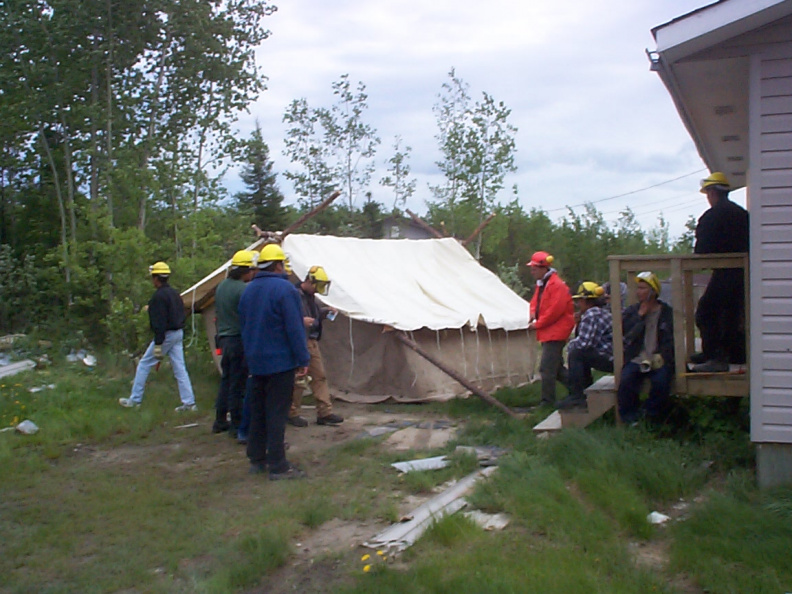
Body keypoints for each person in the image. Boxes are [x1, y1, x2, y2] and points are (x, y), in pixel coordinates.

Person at [239, 244, 310, 480]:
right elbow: (294, 327)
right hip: (280, 363)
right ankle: (278, 466)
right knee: (276, 414)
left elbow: (245, 326)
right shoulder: (285, 289)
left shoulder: (248, 290)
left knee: (258, 411)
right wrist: (303, 358)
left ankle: (256, 459)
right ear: (279, 265)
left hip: (256, 362)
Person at [690, 171, 749, 373]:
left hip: (725, 273)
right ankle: (735, 354)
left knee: (706, 312)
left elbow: (701, 252)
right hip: (745, 274)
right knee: (733, 315)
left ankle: (715, 356)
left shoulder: (711, 216)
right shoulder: (743, 215)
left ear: (712, 193)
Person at [119, 262, 197, 411]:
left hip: (166, 335)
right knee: (180, 368)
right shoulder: (175, 294)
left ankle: (135, 400)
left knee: (143, 364)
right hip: (178, 333)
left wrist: (158, 343)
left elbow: (158, 322)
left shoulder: (158, 297)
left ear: (156, 279)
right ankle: (189, 403)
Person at [288, 265, 344, 427]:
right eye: (317, 285)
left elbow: (314, 314)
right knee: (298, 380)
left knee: (319, 376)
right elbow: (287, 318)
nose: (319, 290)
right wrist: (301, 321)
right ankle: (291, 412)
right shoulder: (294, 295)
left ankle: (325, 413)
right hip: (300, 340)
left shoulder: (310, 297)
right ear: (309, 281)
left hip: (312, 341)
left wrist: (325, 312)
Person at [617, 271, 675, 424]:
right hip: (637, 358)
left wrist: (664, 355)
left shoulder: (666, 312)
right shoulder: (632, 311)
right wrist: (639, 317)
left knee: (661, 382)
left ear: (653, 291)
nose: (638, 292)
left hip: (658, 358)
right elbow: (626, 335)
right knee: (626, 381)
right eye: (638, 288)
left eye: (643, 288)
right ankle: (630, 419)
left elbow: (671, 338)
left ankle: (649, 416)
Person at [212, 250, 258, 436]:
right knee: (238, 384)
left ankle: (220, 419)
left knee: (226, 380)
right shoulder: (243, 289)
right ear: (245, 270)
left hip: (224, 339)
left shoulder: (221, 286)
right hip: (238, 340)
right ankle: (236, 424)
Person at [526, 251, 575, 407]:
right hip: (549, 332)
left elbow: (554, 311)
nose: (532, 271)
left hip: (556, 332)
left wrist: (537, 324)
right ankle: (580, 390)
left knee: (547, 369)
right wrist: (532, 312)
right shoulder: (543, 284)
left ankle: (547, 402)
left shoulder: (557, 286)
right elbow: (535, 301)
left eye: (534, 268)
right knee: (557, 368)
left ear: (543, 268)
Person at [556, 282, 613, 410]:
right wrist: (579, 324)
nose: (578, 304)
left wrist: (569, 344)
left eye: (580, 301)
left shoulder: (591, 314)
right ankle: (585, 391)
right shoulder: (600, 312)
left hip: (611, 358)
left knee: (577, 353)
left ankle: (577, 396)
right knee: (582, 353)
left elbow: (584, 343)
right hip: (613, 355)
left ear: (587, 301)